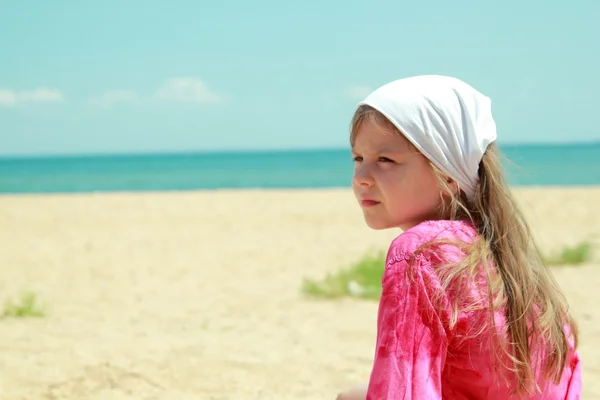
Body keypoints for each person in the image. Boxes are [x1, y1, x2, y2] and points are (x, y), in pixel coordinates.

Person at [337, 75, 582, 399]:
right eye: (358, 158)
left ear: (448, 174)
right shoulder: (503, 257)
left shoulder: (420, 252)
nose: (362, 178)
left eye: (385, 160)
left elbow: (405, 388)